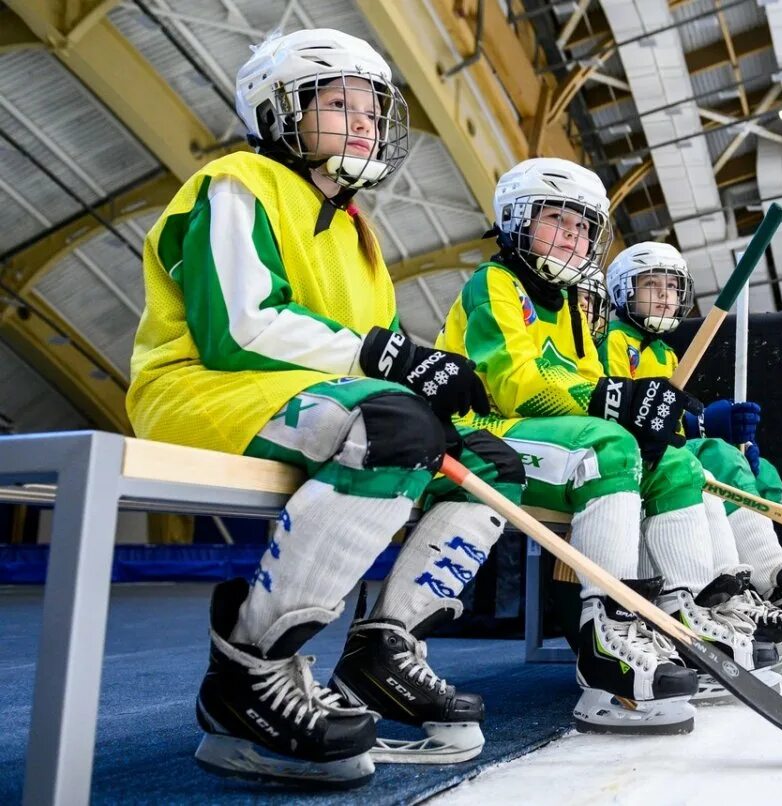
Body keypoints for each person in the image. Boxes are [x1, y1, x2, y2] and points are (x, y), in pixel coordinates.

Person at [127, 29, 527, 788]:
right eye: (341, 104)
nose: (366, 123)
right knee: (391, 425)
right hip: (201, 388)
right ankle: (250, 669)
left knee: (488, 465)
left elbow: (358, 351)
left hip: (299, 396)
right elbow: (238, 326)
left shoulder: (359, 233)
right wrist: (393, 360)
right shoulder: (238, 181)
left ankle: (386, 647)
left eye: (374, 111)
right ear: (280, 111)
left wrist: (428, 383)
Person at [436, 157, 782, 728]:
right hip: (484, 433)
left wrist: (643, 419)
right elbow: (511, 381)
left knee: (675, 464)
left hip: (550, 438)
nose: (573, 239)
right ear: (517, 220)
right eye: (557, 221)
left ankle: (687, 612)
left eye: (582, 228)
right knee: (610, 448)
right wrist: (616, 402)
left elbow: (584, 389)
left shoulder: (578, 308)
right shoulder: (494, 283)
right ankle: (606, 639)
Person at [598, 242, 782, 672]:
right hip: (636, 460)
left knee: (761, 473)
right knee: (716, 455)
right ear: (623, 292)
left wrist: (712, 420)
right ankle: (770, 587)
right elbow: (636, 414)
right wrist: (700, 425)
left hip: (664, 455)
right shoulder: (616, 340)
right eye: (650, 285)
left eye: (672, 288)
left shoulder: (663, 351)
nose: (663, 296)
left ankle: (769, 595)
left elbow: (671, 410)